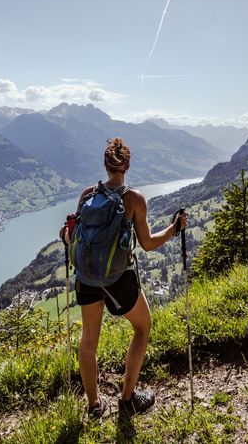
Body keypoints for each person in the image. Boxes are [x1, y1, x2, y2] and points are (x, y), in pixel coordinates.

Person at [65, 137, 186, 418]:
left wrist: (66, 236)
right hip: (119, 279)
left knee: (88, 342)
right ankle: (128, 398)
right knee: (143, 327)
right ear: (127, 165)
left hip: (87, 278)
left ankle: (94, 407)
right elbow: (147, 243)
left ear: (105, 165)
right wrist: (174, 228)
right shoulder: (133, 198)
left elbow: (74, 236)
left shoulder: (87, 195)